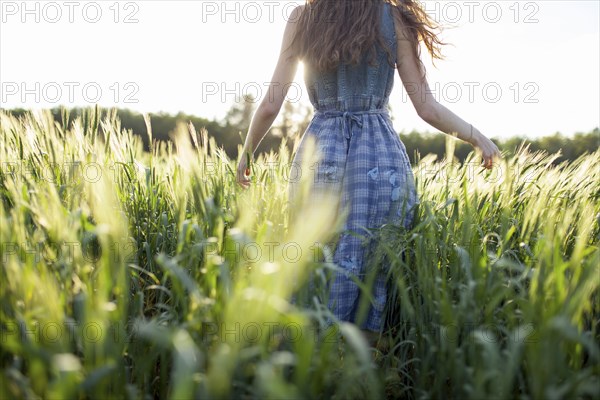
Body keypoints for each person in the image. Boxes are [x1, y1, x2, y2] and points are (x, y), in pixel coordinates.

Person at [236, 0, 501, 345]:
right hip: (380, 160)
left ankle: (312, 364)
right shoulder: (394, 19)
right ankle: (366, 374)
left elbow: (272, 102)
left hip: (321, 157)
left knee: (316, 259)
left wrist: (247, 152)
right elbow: (426, 107)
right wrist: (476, 136)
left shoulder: (303, 17)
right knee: (375, 269)